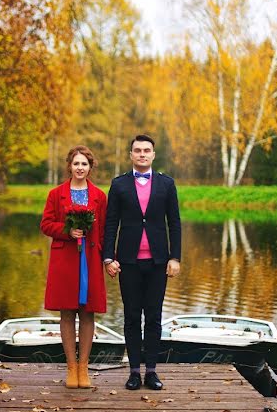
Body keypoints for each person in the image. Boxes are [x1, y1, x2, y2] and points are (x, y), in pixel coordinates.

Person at [103, 134, 181, 391]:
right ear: (131, 155)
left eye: (147, 150)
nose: (142, 154)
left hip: (159, 262)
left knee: (155, 318)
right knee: (132, 317)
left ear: (153, 155)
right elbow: (111, 222)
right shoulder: (119, 184)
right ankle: (134, 372)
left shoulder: (167, 184)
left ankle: (152, 372)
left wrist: (175, 257)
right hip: (129, 262)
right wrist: (108, 257)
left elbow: (175, 223)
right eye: (137, 150)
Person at [40, 145, 107, 389]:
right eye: (76, 164)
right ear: (69, 166)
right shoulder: (56, 194)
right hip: (65, 260)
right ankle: (70, 367)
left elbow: (105, 231)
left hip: (89, 259)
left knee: (87, 312)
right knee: (67, 312)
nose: (80, 168)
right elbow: (46, 224)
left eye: (84, 164)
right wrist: (67, 231)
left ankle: (83, 367)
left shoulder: (99, 196)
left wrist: (108, 257)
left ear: (90, 168)